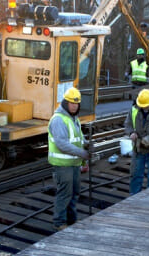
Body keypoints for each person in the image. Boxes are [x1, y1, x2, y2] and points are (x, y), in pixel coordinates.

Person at [48, 87, 90, 231]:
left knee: (74, 192)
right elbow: (62, 144)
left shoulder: (74, 119)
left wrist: (86, 145)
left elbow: (78, 138)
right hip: (63, 164)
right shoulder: (59, 120)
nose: (74, 106)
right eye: (71, 103)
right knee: (65, 193)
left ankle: (71, 220)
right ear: (65, 102)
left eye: (76, 103)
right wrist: (82, 153)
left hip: (74, 163)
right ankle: (59, 222)